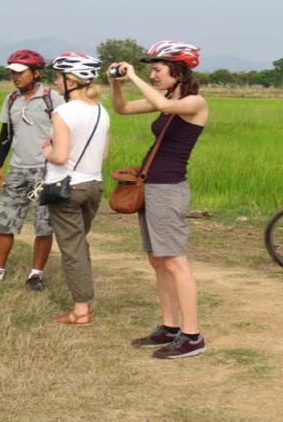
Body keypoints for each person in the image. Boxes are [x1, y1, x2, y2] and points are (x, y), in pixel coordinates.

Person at [108, 40, 208, 359]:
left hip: (168, 189)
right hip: (152, 186)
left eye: (157, 69)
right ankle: (169, 327)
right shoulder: (166, 97)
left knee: (175, 261)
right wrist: (115, 85)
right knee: (158, 261)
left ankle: (192, 336)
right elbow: (122, 109)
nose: (153, 75)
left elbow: (165, 108)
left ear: (177, 72)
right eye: (151, 70)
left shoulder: (195, 102)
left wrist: (133, 76)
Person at [0, 49, 64, 290]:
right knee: (4, 221)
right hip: (17, 170)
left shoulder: (53, 99)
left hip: (46, 171)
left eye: (20, 72)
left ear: (36, 73)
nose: (15, 77)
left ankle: (36, 275)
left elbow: (66, 134)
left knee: (43, 224)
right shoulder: (11, 100)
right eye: (12, 73)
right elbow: (5, 135)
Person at [41, 52, 110, 326]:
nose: (56, 82)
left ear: (71, 80)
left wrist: (46, 151)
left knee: (72, 249)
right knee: (81, 243)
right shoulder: (101, 111)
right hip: (94, 184)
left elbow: (60, 156)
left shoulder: (63, 112)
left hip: (67, 188)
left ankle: (80, 311)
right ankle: (84, 299)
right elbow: (103, 155)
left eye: (58, 77)